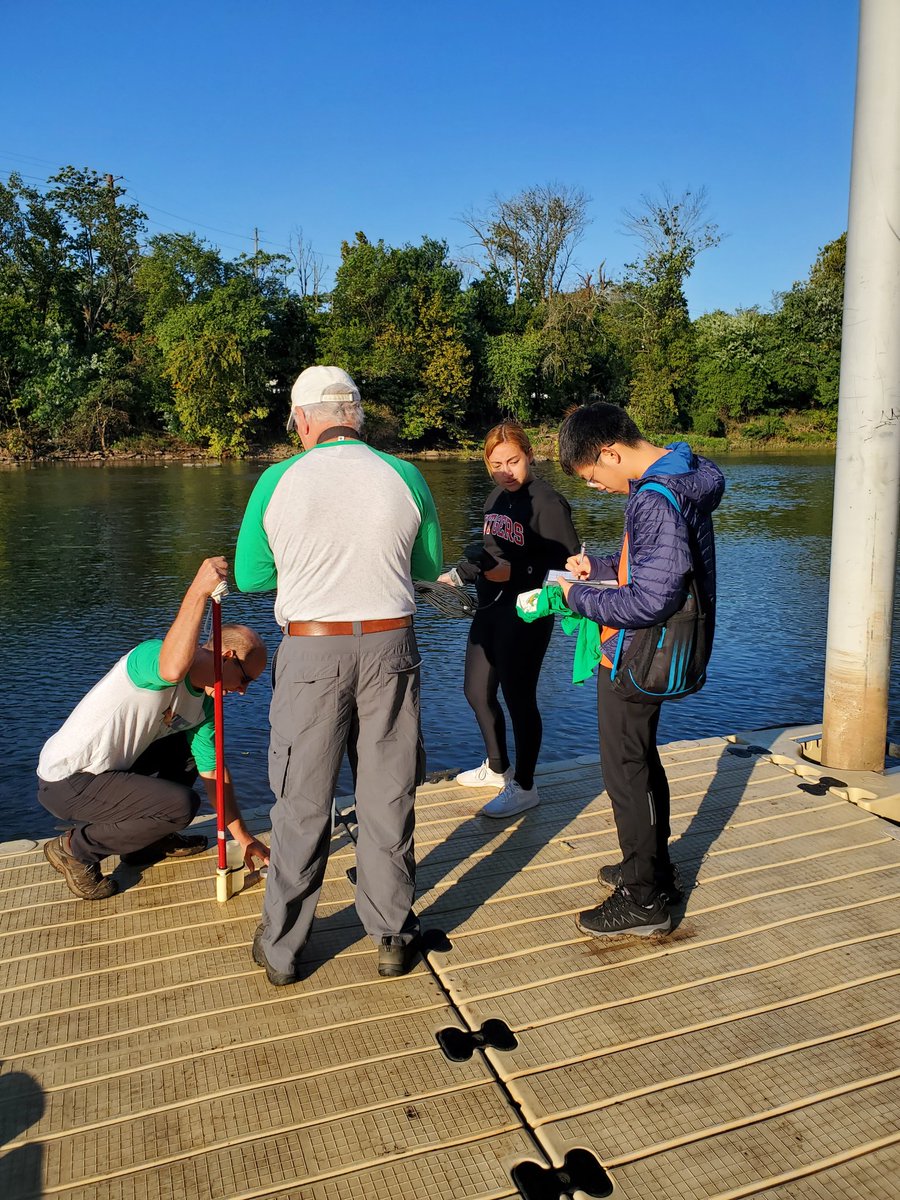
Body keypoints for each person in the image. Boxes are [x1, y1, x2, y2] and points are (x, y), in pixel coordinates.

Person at [235, 365, 443, 984]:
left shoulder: (276, 480)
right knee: (388, 794)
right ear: (356, 416)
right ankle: (391, 934)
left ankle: (282, 950)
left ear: (303, 420)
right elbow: (425, 566)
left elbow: (251, 577)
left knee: (301, 802)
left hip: (311, 653)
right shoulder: (405, 475)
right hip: (391, 648)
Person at [557, 401, 724, 938]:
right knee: (641, 761)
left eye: (592, 476)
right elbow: (660, 569)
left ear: (609, 452)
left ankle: (644, 897)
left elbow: (650, 600)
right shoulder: (679, 476)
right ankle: (649, 867)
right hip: (655, 650)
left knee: (624, 770)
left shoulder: (652, 498)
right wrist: (603, 568)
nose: (596, 487)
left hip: (638, 654)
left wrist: (579, 595)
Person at [37, 557, 270, 900]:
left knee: (190, 751)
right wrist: (198, 591)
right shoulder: (151, 657)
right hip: (67, 780)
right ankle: (76, 848)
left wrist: (244, 837)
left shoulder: (204, 707)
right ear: (226, 654)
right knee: (180, 805)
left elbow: (215, 773)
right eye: (245, 679)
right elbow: (174, 669)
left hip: (113, 772)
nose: (243, 691)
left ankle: (145, 843)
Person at [440, 421, 581, 817]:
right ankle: (497, 766)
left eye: (514, 461)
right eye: (497, 464)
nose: (506, 471)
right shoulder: (494, 500)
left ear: (530, 456)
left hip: (527, 613)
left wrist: (518, 575)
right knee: (475, 690)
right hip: (491, 608)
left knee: (520, 700)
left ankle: (525, 786)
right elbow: (490, 555)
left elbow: (567, 567)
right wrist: (457, 575)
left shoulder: (547, 502)